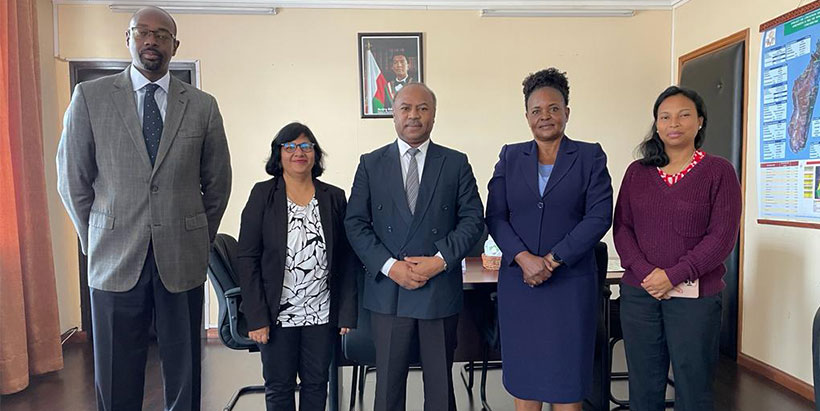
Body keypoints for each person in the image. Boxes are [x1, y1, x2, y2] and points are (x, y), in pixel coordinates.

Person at [56, 6, 231, 411]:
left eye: (162, 35)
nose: (152, 41)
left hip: (181, 256)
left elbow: (217, 182)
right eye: (143, 32)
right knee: (116, 369)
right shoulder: (90, 97)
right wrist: (94, 236)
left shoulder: (202, 106)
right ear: (129, 39)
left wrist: (198, 237)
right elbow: (72, 180)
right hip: (113, 255)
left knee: (185, 368)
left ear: (175, 45)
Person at [344, 83, 484, 411]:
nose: (414, 115)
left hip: (439, 287)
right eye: (406, 108)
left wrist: (440, 260)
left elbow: (473, 219)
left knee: (439, 387)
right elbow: (355, 223)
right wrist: (390, 266)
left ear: (433, 115)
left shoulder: (455, 163)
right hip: (388, 290)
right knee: (388, 388)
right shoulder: (371, 163)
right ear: (393, 114)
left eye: (422, 108)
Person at [485, 68, 613, 411]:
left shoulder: (590, 156)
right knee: (525, 376)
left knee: (566, 378)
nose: (546, 117)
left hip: (570, 285)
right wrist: (525, 258)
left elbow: (599, 216)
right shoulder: (510, 157)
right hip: (520, 284)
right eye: (537, 110)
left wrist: (553, 259)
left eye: (554, 108)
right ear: (526, 115)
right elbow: (495, 216)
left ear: (567, 112)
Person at [613, 86, 742, 411]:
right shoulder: (637, 173)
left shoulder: (719, 172)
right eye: (665, 116)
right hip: (640, 294)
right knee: (643, 384)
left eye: (684, 115)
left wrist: (673, 275)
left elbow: (721, 237)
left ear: (700, 121)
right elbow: (623, 229)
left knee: (693, 384)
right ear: (656, 124)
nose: (674, 123)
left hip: (695, 297)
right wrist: (647, 274)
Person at [236, 122, 358, 411]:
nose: (298, 152)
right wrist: (256, 316)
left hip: (322, 313)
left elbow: (346, 257)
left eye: (306, 146)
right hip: (276, 316)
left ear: (315, 154)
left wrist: (345, 313)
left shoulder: (334, 197)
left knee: (317, 385)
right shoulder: (262, 195)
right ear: (278, 155)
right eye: (289, 147)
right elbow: (247, 257)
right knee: (279, 387)